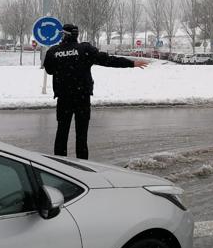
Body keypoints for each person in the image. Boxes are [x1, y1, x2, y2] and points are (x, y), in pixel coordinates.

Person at [43, 23, 147, 159]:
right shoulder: (85, 49)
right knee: (82, 134)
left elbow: (49, 70)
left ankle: (60, 164)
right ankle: (83, 164)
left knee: (62, 132)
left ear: (63, 35)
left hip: (64, 98)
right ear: (76, 35)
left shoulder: (54, 51)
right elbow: (107, 60)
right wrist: (131, 63)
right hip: (82, 97)